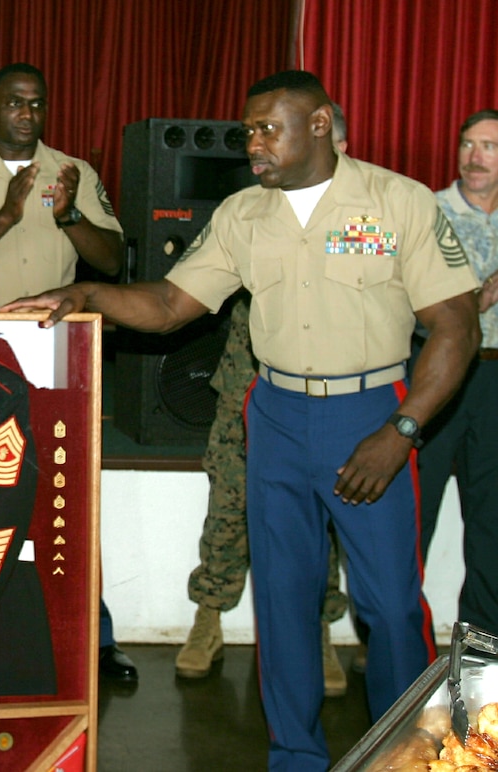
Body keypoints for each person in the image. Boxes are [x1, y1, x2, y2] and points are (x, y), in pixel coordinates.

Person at [5, 70, 480, 770]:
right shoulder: (241, 215)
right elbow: (170, 306)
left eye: (267, 129)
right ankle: (294, 754)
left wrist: (400, 430)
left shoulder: (395, 201)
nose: (252, 143)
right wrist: (85, 293)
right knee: (283, 605)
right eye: (248, 130)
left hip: (372, 414)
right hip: (278, 418)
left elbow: (456, 328)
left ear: (319, 124)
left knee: (392, 610)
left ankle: (407, 755)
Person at [0, 62, 136, 683]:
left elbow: (113, 260)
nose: (27, 114)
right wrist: (8, 214)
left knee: (66, 495)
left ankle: (93, 636)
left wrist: (67, 216)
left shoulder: (74, 173)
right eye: (14, 103)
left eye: (36, 104)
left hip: (55, 343)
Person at [176, 104, 355, 696]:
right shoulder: (252, 210)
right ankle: (208, 618)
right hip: (246, 386)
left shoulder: (360, 216)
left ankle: (320, 629)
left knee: (319, 514)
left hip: (320, 394)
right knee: (228, 505)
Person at [416, 109, 498, 635]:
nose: (474, 157)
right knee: (412, 519)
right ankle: (398, 642)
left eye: (489, 147)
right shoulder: (428, 212)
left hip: (493, 381)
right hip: (436, 375)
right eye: (468, 145)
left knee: (491, 525)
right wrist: (473, 297)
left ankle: (483, 649)